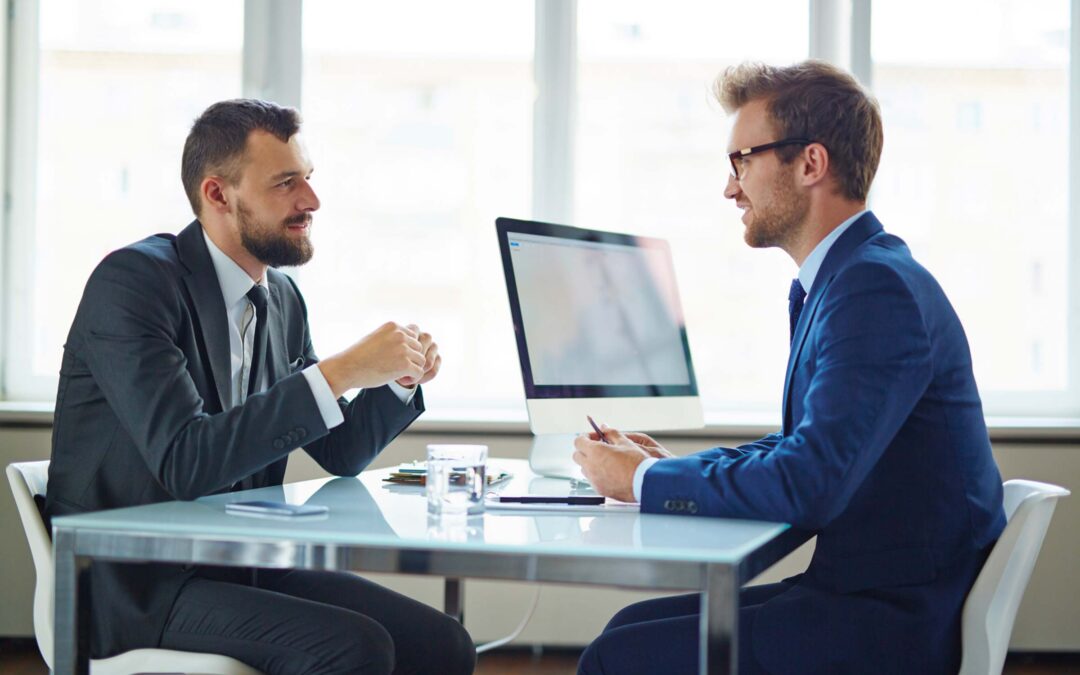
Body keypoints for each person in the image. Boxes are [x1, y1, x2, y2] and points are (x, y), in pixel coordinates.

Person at [572, 60, 1006, 675]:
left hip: (893, 621)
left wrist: (639, 484)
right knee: (629, 628)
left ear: (810, 164)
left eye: (741, 161)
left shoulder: (873, 289)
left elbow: (811, 481)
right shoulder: (848, 279)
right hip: (875, 592)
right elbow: (808, 447)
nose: (730, 188)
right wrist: (666, 469)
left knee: (621, 656)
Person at [44, 99, 475, 675]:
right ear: (218, 194)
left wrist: (395, 382)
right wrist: (342, 370)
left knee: (443, 644)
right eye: (286, 183)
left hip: (239, 563)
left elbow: (340, 453)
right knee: (355, 647)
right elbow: (185, 461)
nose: (312, 201)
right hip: (134, 583)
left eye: (309, 179)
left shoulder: (281, 300)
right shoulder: (135, 283)